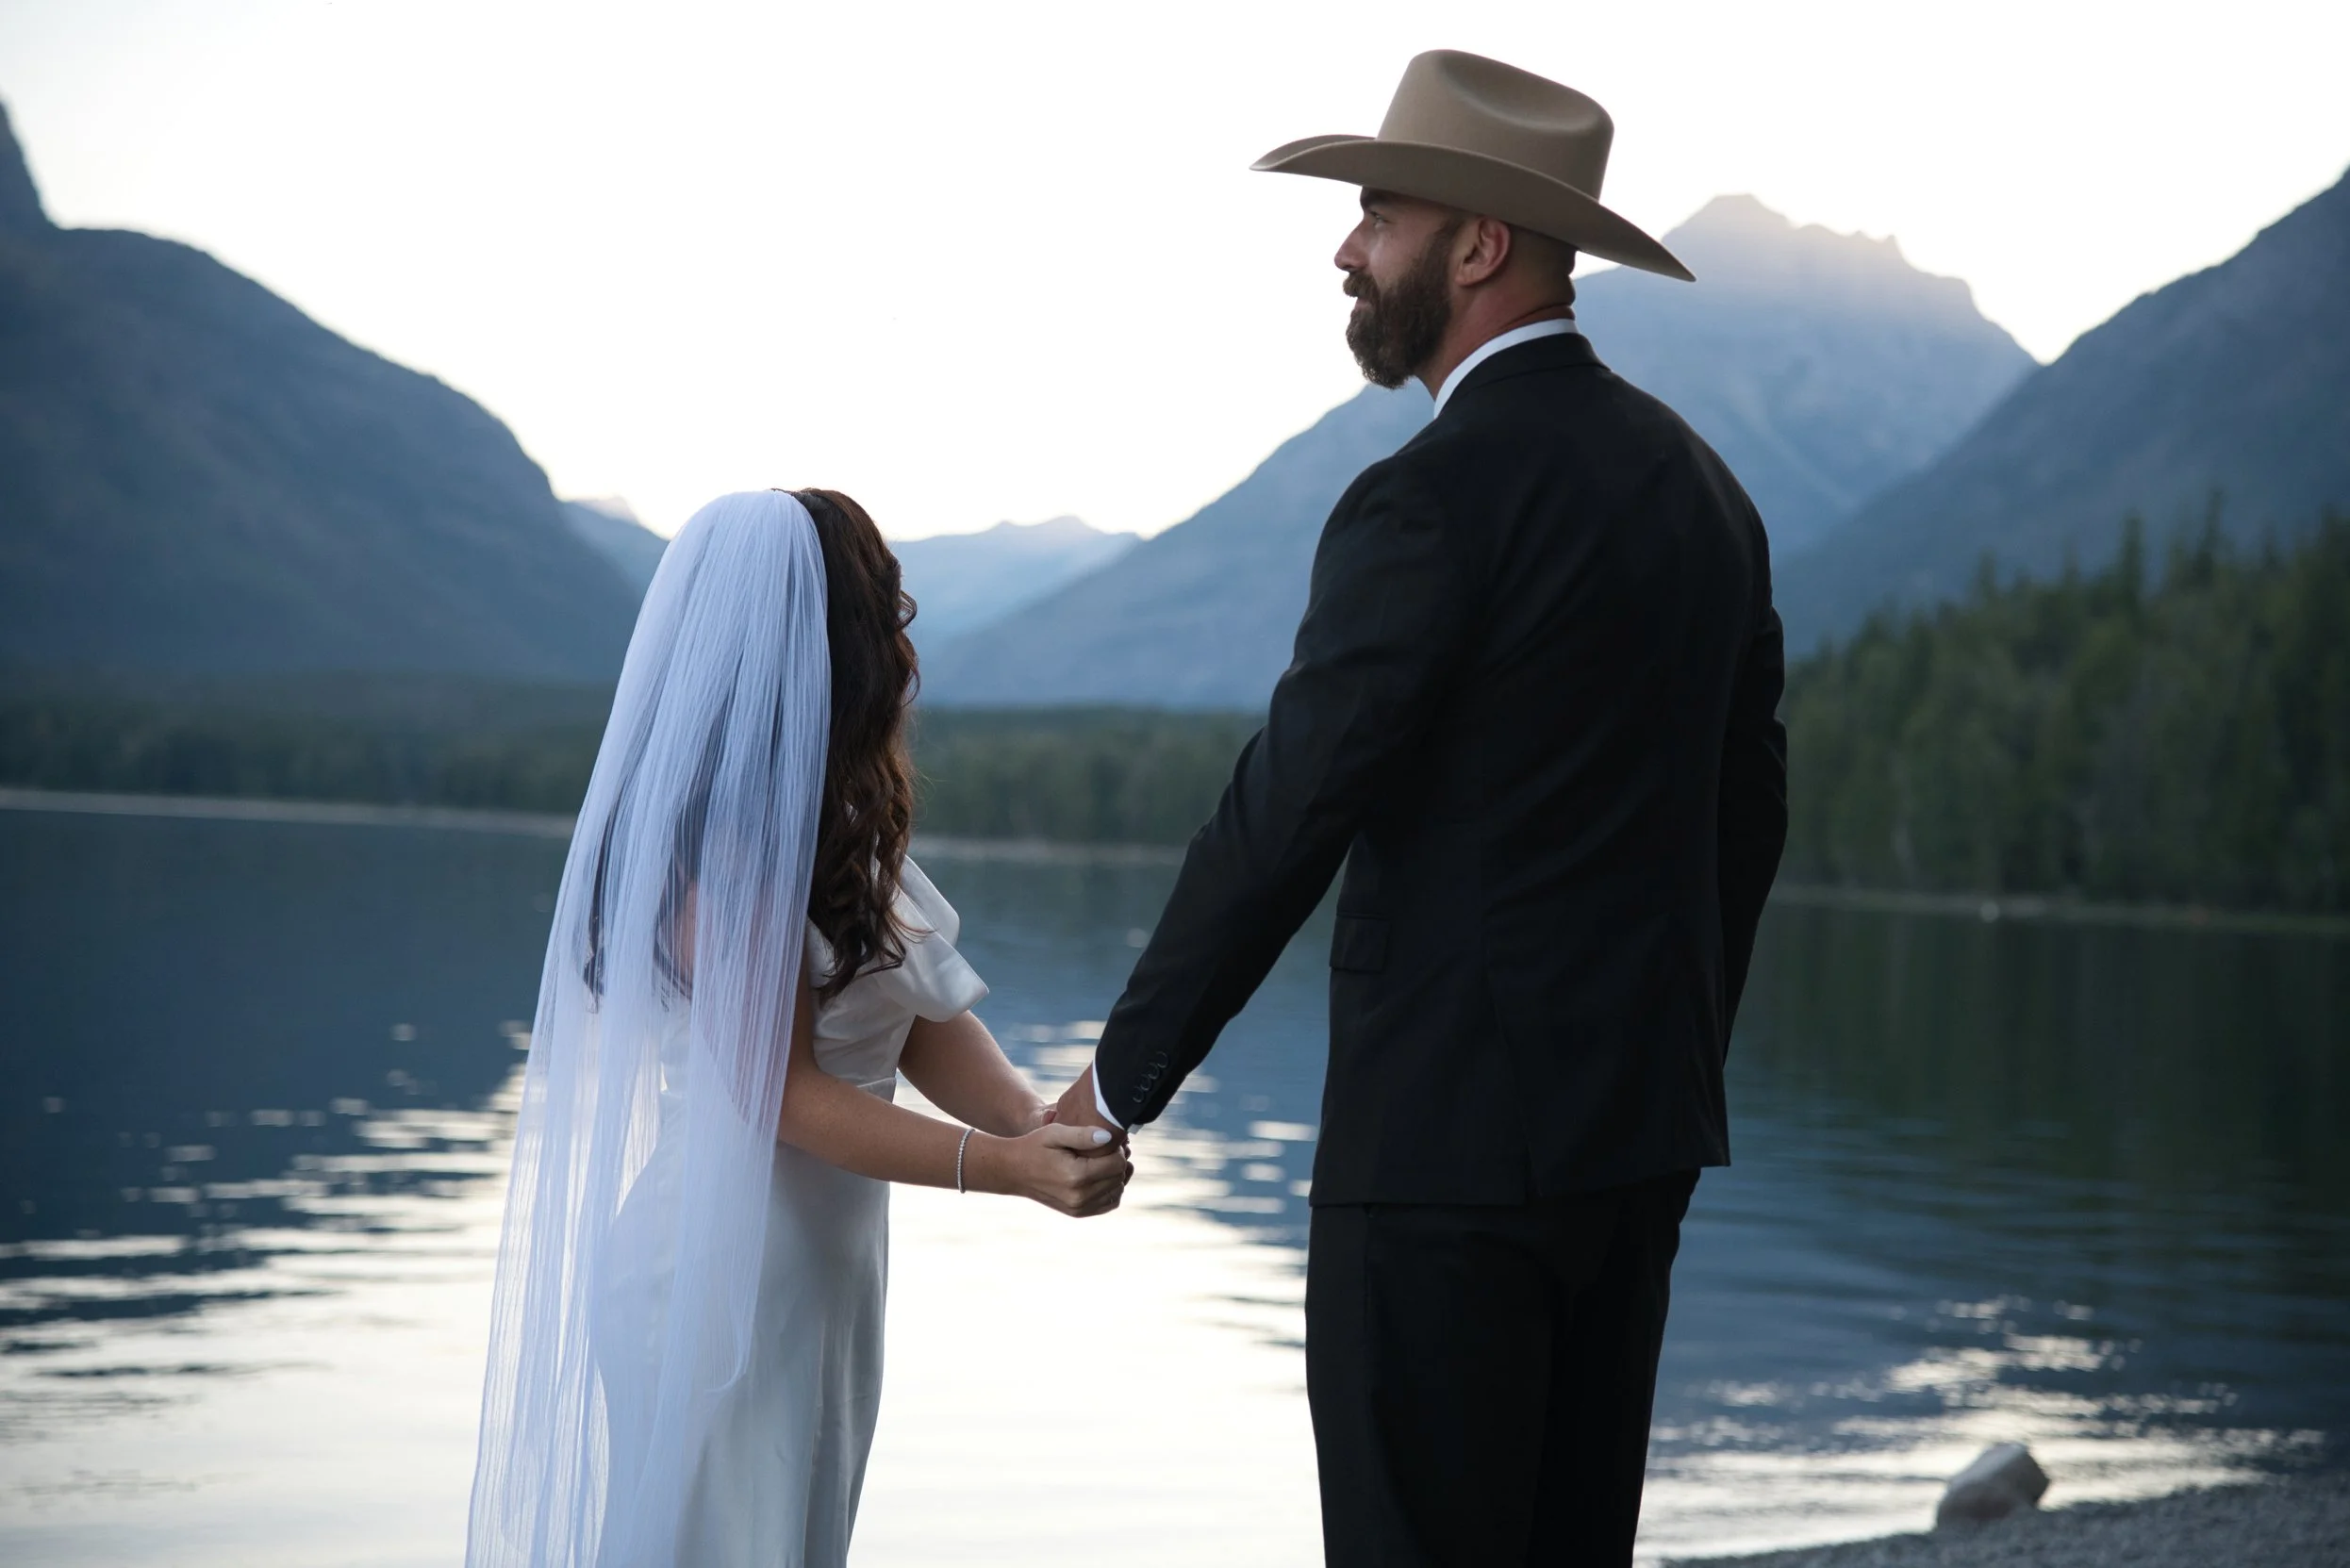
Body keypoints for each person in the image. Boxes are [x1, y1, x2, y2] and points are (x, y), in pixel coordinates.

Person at [1053, 50, 1789, 1567]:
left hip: (1440, 1167)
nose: (1344, 248)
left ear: (1478, 243)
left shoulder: (1428, 496)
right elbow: (1748, 822)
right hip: (1635, 1155)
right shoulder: (1712, 496)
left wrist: (1120, 1081)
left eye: (1376, 215)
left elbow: (1290, 810)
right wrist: (1666, 1067)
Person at [467, 487, 1128, 1568]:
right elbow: (776, 1090)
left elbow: (911, 1023)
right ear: (842, 636)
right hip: (715, 1272)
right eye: (885, 607)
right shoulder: (726, 837)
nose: (904, 631)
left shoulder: (839, 827)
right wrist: (1004, 1167)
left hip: (821, 1270)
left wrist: (1043, 1122)